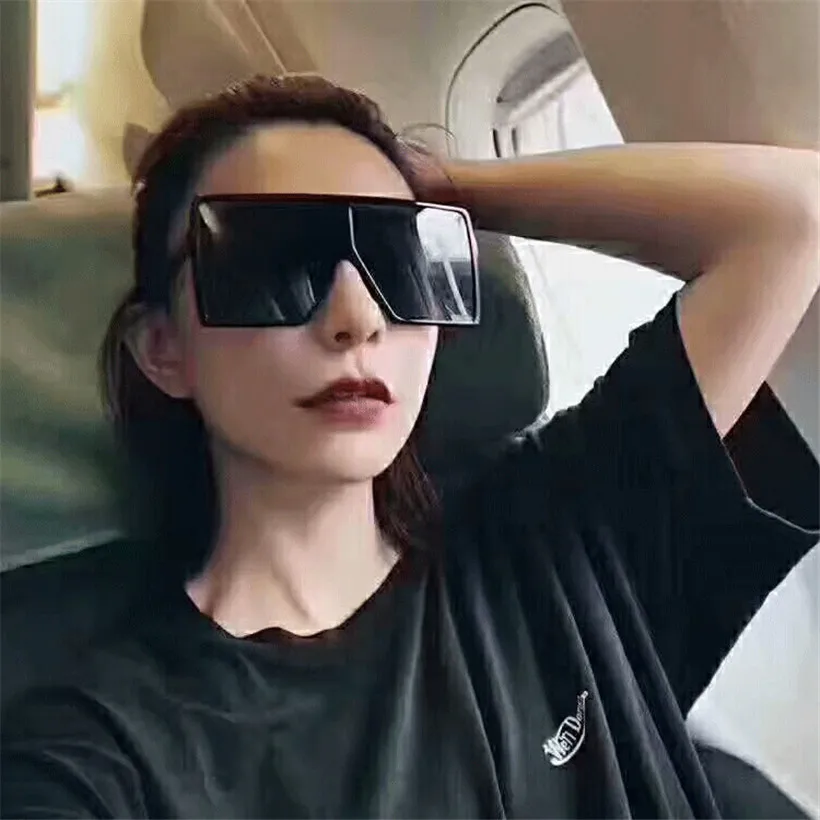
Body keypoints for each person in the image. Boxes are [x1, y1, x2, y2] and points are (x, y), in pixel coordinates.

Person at [1, 73, 818, 818]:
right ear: (164, 350)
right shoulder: (102, 756)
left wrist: (447, 193)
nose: (357, 319)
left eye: (398, 262)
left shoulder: (556, 531)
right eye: (275, 261)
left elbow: (792, 219)